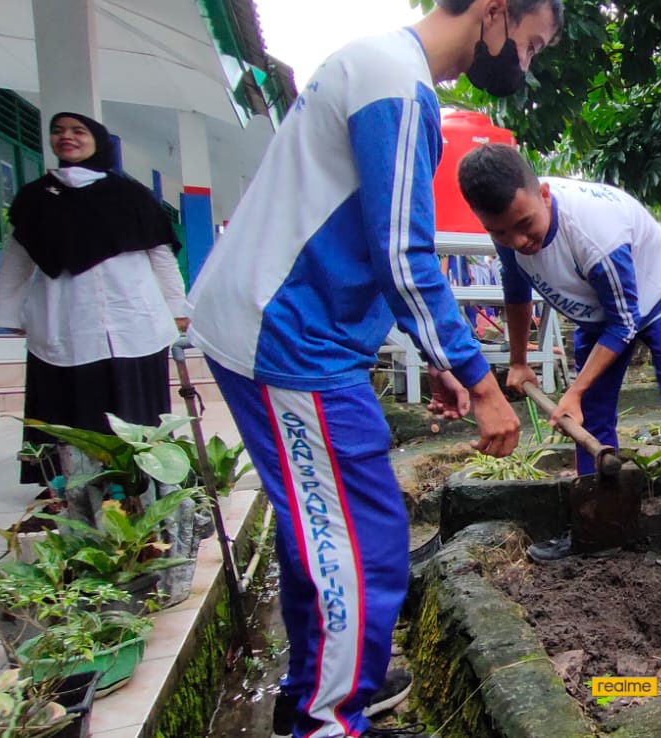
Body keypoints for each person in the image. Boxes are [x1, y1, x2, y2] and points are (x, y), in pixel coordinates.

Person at [185, 1, 561, 736]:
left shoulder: (381, 66)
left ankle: (316, 688)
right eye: (529, 42)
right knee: (361, 537)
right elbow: (403, 256)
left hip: (289, 329)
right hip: (289, 338)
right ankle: (329, 718)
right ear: (493, 12)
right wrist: (482, 383)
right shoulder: (396, 84)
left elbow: (358, 241)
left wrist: (440, 361)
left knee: (323, 527)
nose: (526, 61)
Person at [456, 143, 661, 588]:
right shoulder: (507, 233)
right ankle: (597, 526)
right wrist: (520, 362)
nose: (518, 241)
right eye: (501, 233)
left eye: (524, 226)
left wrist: (574, 390)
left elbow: (624, 324)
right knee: (592, 420)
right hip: (597, 309)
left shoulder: (595, 232)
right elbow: (517, 291)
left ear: (543, 194)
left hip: (656, 296)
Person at [0, 112, 187, 488]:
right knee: (68, 403)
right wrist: (7, 310)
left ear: (97, 140)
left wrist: (177, 309)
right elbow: (16, 258)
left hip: (129, 315)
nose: (67, 137)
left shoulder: (130, 195)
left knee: (133, 402)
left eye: (78, 131)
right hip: (64, 317)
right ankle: (68, 485)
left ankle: (141, 480)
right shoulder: (36, 198)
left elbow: (160, 255)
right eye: (58, 131)